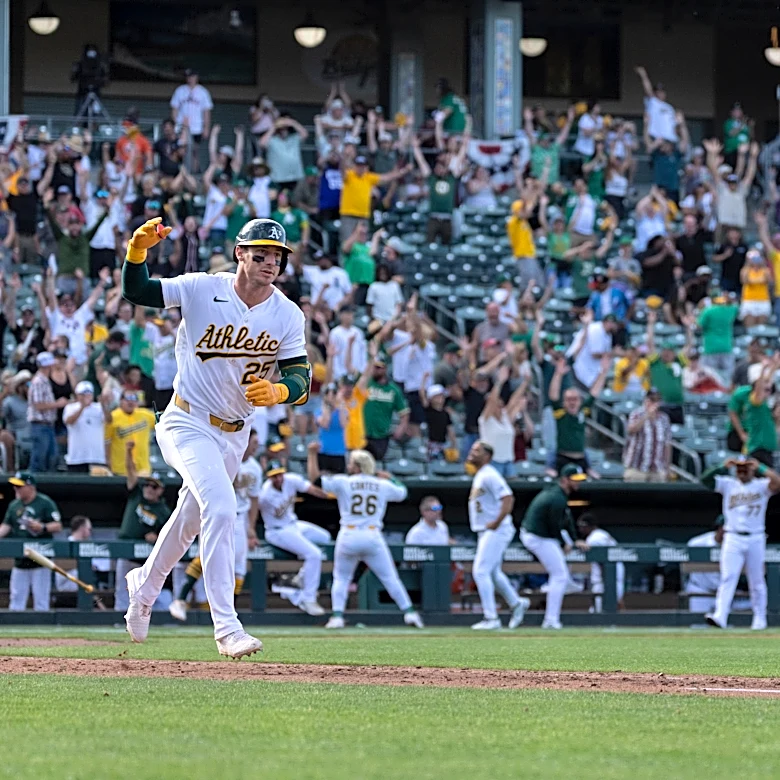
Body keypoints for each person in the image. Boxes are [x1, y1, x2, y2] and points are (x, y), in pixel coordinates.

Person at [120, 215, 310, 659]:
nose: (270, 263)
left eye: (277, 257)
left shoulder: (287, 313)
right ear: (240, 253)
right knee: (223, 507)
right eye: (260, 253)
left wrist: (281, 390)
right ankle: (227, 627)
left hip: (234, 433)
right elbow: (140, 292)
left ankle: (144, 589)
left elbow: (300, 375)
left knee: (189, 521)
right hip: (187, 419)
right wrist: (136, 254)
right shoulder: (202, 287)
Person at [307, 444, 424, 630]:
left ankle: (337, 616)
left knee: (342, 578)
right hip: (372, 535)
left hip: (349, 533)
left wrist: (312, 454)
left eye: (352, 463)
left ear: (359, 466)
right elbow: (403, 492)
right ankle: (410, 613)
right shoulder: (382, 484)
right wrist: (392, 478)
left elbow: (315, 479)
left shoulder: (344, 482)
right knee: (390, 578)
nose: (348, 466)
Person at [170, 430, 265, 622]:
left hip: (241, 517)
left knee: (238, 567)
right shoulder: (224, 454)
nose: (255, 446)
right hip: (218, 512)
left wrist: (251, 527)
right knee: (207, 556)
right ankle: (180, 598)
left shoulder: (255, 467)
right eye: (253, 442)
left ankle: (231, 615)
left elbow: (254, 499)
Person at [700, 456, 780, 630]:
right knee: (728, 577)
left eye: (745, 468)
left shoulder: (761, 484)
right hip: (733, 536)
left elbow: (777, 482)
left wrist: (760, 467)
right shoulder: (728, 483)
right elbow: (704, 480)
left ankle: (759, 619)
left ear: (752, 469)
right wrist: (722, 466)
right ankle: (720, 616)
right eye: (739, 468)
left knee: (756, 580)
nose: (742, 471)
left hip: (756, 537)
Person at [465, 440, 530, 631]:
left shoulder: (490, 474)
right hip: (486, 529)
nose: (472, 452)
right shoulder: (480, 475)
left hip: (496, 529)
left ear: (487, 456)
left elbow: (508, 498)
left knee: (480, 571)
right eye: (472, 449)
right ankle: (516, 603)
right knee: (492, 572)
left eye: (477, 450)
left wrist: (497, 521)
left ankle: (491, 617)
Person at [519, 464, 590, 629]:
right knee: (559, 575)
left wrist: (573, 539)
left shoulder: (558, 493)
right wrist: (563, 543)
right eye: (575, 480)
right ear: (565, 480)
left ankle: (566, 585)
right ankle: (551, 620)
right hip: (536, 536)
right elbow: (554, 525)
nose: (578, 483)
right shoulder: (556, 497)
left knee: (561, 574)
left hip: (540, 534)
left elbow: (567, 520)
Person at [259, 460, 332, 615]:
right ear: (269, 477)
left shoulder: (290, 480)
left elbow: (310, 489)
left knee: (325, 537)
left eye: (279, 474)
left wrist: (327, 494)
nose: (278, 479)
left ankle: (300, 577)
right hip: (277, 531)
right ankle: (308, 599)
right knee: (314, 554)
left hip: (293, 525)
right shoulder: (265, 495)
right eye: (274, 476)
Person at [114, 442, 170, 613]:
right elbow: (131, 473)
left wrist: (157, 535)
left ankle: (144, 619)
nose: (149, 489)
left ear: (160, 490)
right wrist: (129, 452)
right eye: (147, 485)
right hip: (126, 548)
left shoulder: (163, 510)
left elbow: (168, 534)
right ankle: (119, 617)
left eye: (154, 486)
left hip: (146, 556)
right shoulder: (136, 495)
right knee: (122, 589)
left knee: (144, 592)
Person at [0, 472, 62, 611]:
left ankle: (44, 631)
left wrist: (42, 527)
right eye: (15, 486)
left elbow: (57, 525)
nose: (16, 489)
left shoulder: (45, 502)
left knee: (41, 600)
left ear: (30, 487)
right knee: (16, 599)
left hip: (40, 559)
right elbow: (6, 525)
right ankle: (15, 630)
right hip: (20, 559)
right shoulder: (14, 505)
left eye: (20, 486)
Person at [576, 513, 625, 613]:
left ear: (589, 526)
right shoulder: (601, 534)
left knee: (600, 609)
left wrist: (606, 579)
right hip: (613, 575)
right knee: (611, 605)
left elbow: (602, 560)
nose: (580, 529)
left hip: (607, 577)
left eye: (582, 527)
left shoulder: (596, 538)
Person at [27, 352, 67, 473]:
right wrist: (57, 404)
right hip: (40, 425)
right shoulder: (39, 381)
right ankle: (31, 484)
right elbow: (38, 405)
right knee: (39, 460)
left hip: (48, 425)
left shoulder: (44, 380)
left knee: (51, 457)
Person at [622, 388, 672, 482]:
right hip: (636, 467)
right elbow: (630, 430)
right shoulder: (636, 414)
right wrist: (647, 415)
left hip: (657, 469)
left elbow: (667, 444)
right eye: (651, 399)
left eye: (656, 400)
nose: (653, 403)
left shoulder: (664, 419)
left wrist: (667, 467)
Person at [104, 390, 156, 476]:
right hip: (121, 469)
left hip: (142, 469)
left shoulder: (146, 415)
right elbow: (106, 441)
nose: (131, 402)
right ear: (121, 401)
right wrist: (108, 462)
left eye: (134, 399)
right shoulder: (113, 417)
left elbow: (164, 424)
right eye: (127, 399)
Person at [63, 380, 110, 472]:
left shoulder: (98, 408)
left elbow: (109, 420)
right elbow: (69, 421)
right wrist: (82, 407)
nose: (86, 397)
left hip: (97, 457)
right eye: (83, 394)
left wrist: (104, 405)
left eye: (89, 394)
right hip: (76, 458)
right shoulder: (70, 407)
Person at [170, 68, 213, 169]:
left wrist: (206, 127)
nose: (190, 79)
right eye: (188, 77)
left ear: (196, 77)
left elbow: (206, 111)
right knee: (180, 150)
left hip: (196, 127)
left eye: (192, 76)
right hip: (181, 127)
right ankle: (180, 171)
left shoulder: (203, 92)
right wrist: (176, 123)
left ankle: (193, 174)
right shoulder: (180, 90)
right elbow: (174, 109)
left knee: (195, 151)